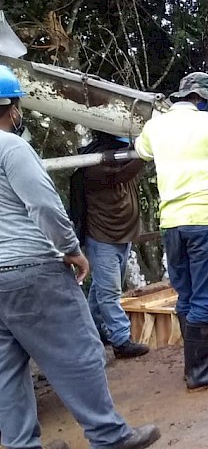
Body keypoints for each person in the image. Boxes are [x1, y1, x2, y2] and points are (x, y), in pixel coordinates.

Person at [0, 65, 159, 448]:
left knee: (6, 369)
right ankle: (110, 436)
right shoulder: (12, 147)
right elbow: (44, 207)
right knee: (81, 350)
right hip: (31, 269)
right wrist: (72, 250)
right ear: (12, 108)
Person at [135, 72, 208, 390]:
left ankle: (193, 366)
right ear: (206, 99)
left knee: (188, 293)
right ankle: (200, 371)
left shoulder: (155, 126)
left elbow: (143, 152)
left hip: (173, 223)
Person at [70, 132, 149, 359]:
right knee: (109, 293)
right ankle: (121, 341)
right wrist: (144, 153)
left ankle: (95, 328)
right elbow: (121, 175)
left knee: (102, 289)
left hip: (123, 236)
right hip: (103, 238)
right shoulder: (93, 167)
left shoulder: (118, 160)